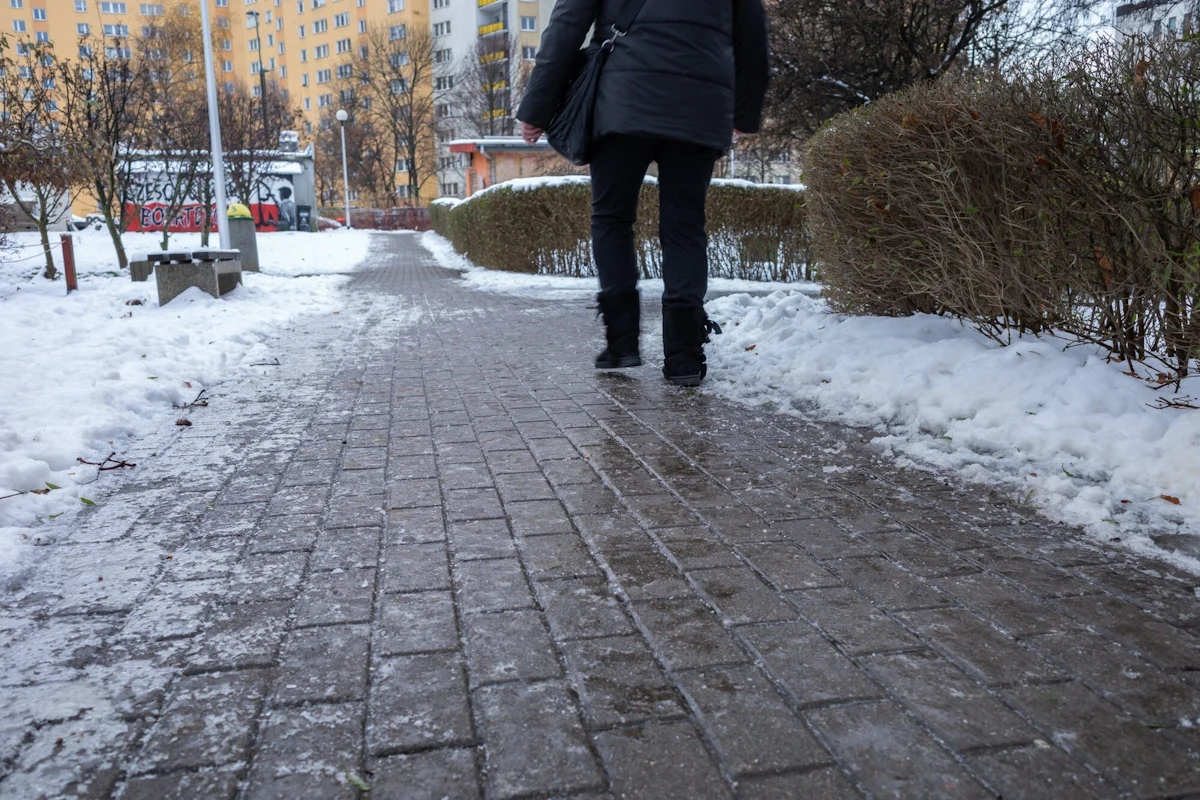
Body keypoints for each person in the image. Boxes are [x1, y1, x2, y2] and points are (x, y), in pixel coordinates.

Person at [516, 0, 770, 386]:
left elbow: (565, 27)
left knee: (612, 219)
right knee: (685, 226)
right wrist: (744, 113)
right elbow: (752, 39)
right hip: (699, 108)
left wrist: (536, 108)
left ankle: (622, 344)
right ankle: (684, 356)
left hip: (622, 101)